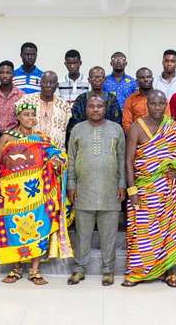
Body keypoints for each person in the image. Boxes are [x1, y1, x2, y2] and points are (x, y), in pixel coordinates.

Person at [0, 102, 71, 286]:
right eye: (26, 114)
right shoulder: (7, 138)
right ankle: (15, 269)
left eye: (33, 115)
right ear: (17, 116)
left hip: (36, 194)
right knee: (11, 228)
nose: (31, 118)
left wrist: (57, 161)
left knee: (37, 229)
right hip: (11, 194)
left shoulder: (42, 139)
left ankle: (34, 270)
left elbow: (57, 156)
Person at [122, 90, 176, 287]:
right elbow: (128, 162)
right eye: (153, 103)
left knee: (169, 231)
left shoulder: (174, 128)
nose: (156, 107)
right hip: (144, 191)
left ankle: (169, 273)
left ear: (165, 105)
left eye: (160, 104)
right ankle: (137, 273)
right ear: (147, 105)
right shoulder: (137, 128)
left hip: (169, 191)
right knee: (142, 233)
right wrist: (132, 191)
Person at [67, 95, 126, 286]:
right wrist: (71, 185)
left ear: (105, 108)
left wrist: (122, 184)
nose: (95, 109)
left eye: (99, 106)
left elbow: (122, 159)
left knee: (109, 235)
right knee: (82, 233)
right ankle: (78, 269)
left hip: (110, 191)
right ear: (86, 109)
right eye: (91, 106)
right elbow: (71, 160)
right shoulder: (77, 129)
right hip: (83, 190)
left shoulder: (116, 129)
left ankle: (108, 270)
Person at [17, 71, 71, 152]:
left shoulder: (64, 105)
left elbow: (67, 131)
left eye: (52, 82)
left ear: (57, 85)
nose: (48, 85)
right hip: (30, 153)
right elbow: (17, 123)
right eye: (44, 82)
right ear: (40, 83)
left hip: (56, 155)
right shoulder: (26, 100)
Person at [68, 66, 122, 135]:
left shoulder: (112, 99)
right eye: (93, 77)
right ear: (89, 80)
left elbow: (117, 123)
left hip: (108, 136)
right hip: (84, 136)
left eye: (100, 77)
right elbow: (74, 123)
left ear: (105, 80)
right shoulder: (81, 99)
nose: (97, 80)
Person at [122, 68, 170, 133]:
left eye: (149, 77)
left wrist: (156, 137)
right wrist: (138, 135)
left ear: (152, 79)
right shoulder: (130, 100)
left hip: (160, 138)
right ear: (137, 81)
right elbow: (126, 123)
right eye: (142, 77)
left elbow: (167, 120)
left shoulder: (161, 97)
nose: (146, 80)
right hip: (138, 139)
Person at [0, 60, 25, 133]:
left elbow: (23, 120)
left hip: (15, 137)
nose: (4, 76)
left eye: (8, 73)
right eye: (2, 73)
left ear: (13, 74)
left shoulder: (21, 96)